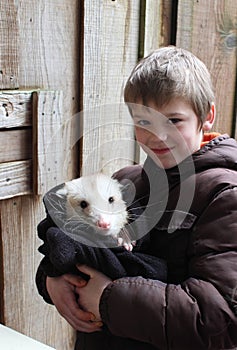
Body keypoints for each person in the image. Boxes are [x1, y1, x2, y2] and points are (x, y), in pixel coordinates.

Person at [36, 46, 237, 350]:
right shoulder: (124, 181)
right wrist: (53, 280)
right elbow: (72, 244)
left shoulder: (224, 196)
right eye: (144, 122)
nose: (157, 136)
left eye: (174, 121)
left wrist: (108, 298)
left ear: (206, 116)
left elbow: (219, 317)